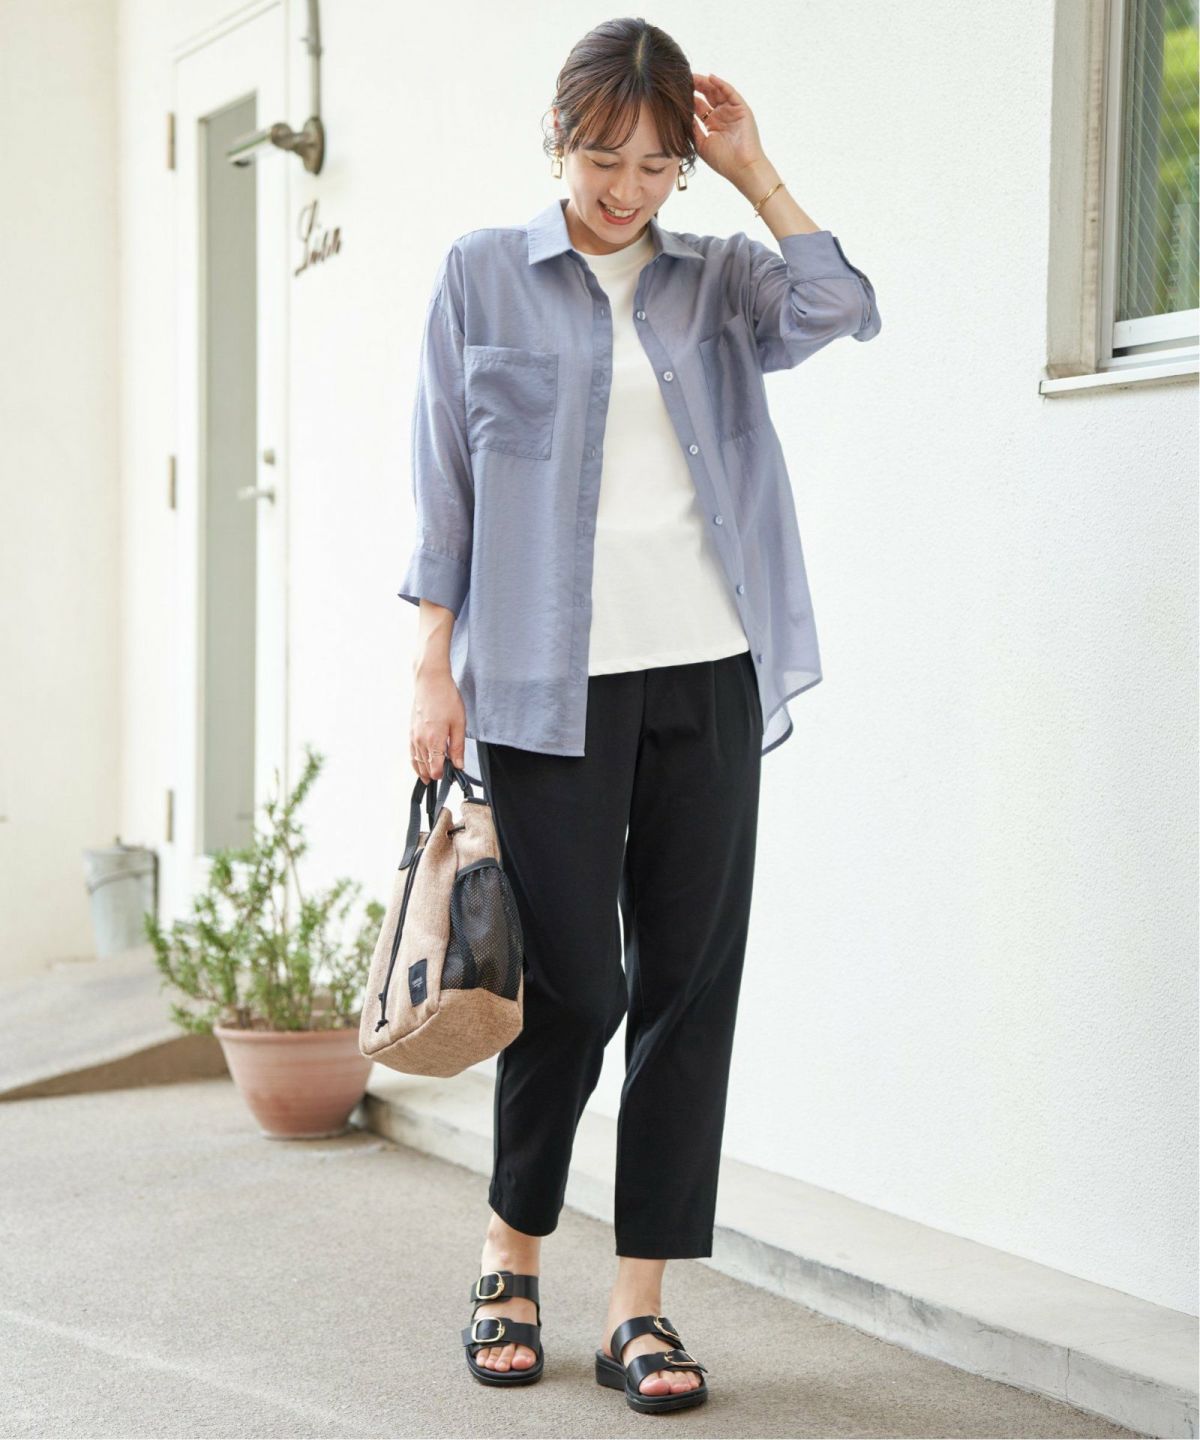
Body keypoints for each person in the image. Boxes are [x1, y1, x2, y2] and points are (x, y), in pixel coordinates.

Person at [399, 18, 881, 1415]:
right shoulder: (481, 276)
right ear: (558, 140)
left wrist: (754, 171)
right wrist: (431, 665)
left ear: (684, 167)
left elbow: (841, 304)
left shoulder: (718, 279)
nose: (626, 189)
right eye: (604, 157)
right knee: (574, 990)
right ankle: (509, 1259)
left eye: (657, 164)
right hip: (544, 690)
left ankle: (639, 1307)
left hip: (708, 672)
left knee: (686, 990)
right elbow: (444, 485)